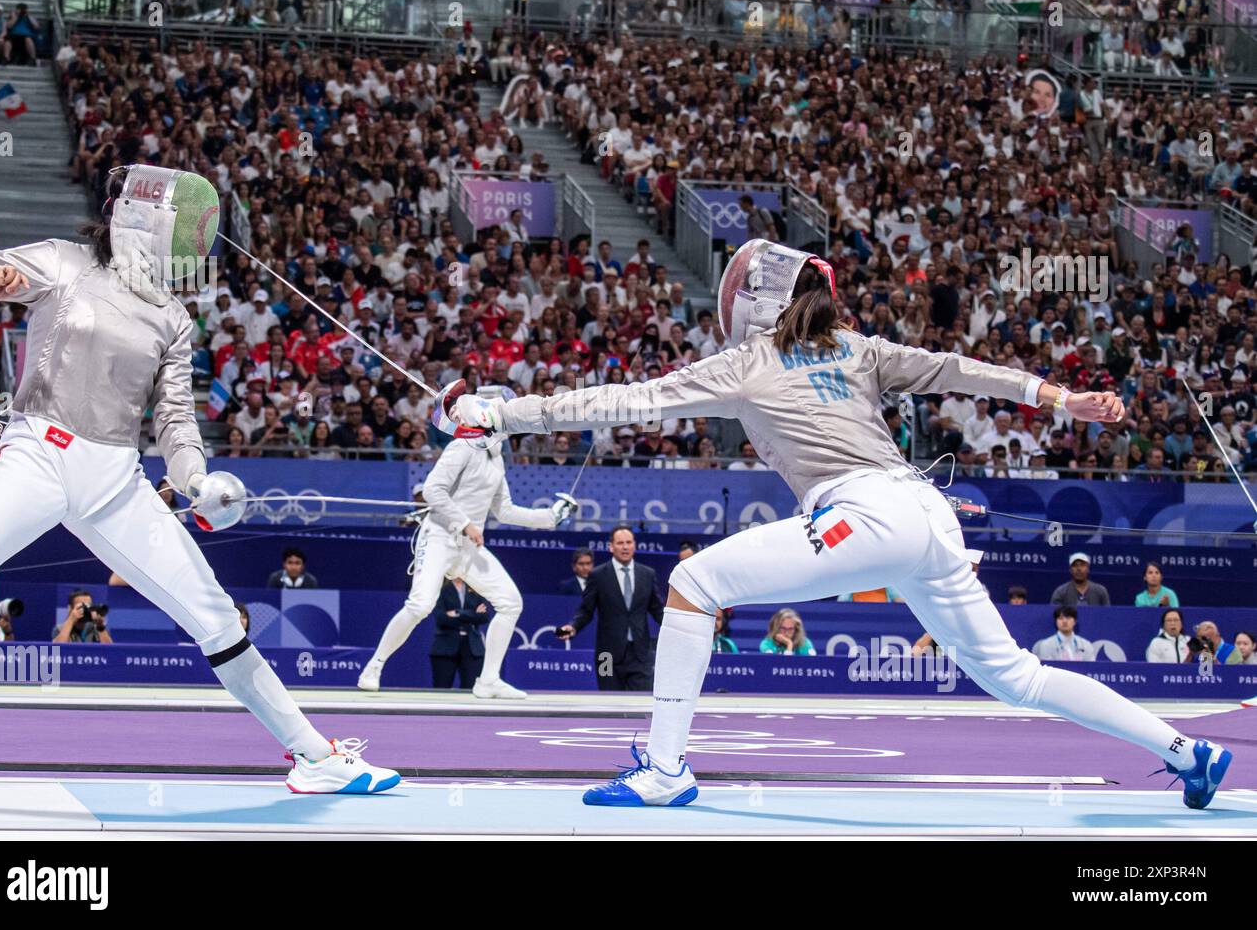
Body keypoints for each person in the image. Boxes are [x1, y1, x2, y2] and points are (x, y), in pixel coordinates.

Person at [451, 237, 1230, 810]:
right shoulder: (857, 348)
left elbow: (620, 402)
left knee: (692, 581)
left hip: (866, 513)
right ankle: (1188, 751)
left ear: (757, 299)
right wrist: (1063, 399)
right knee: (1016, 677)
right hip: (927, 515)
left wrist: (499, 412)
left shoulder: (746, 362)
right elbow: (960, 369)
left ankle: (663, 770)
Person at [0, 163, 397, 794]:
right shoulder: (61, 262)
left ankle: (316, 758)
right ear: (146, 217)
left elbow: (174, 419)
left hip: (115, 477)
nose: (197, 241)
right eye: (188, 224)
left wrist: (196, 482)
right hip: (37, 453)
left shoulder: (172, 317)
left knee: (216, 616)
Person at [358, 385, 578, 699]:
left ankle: (487, 681)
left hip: (467, 547)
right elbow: (433, 491)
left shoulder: (496, 457)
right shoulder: (462, 447)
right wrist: (465, 524)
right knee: (420, 605)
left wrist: (550, 517)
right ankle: (374, 666)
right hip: (439, 537)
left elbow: (504, 511)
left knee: (510, 603)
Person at [556, 525, 664, 691]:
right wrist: (573, 627)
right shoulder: (598, 575)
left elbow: (657, 609)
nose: (625, 547)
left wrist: (678, 628)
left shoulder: (647, 574)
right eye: (620, 543)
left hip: (641, 654)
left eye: (628, 542)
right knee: (608, 701)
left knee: (643, 704)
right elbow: (586, 610)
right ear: (611, 547)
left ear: (634, 545)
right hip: (606, 656)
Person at [428, 578, 489, 690]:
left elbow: (483, 617)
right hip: (445, 647)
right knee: (441, 689)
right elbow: (441, 619)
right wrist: (472, 615)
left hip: (472, 647)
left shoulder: (475, 588)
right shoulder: (439, 589)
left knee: (471, 689)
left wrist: (458, 613)